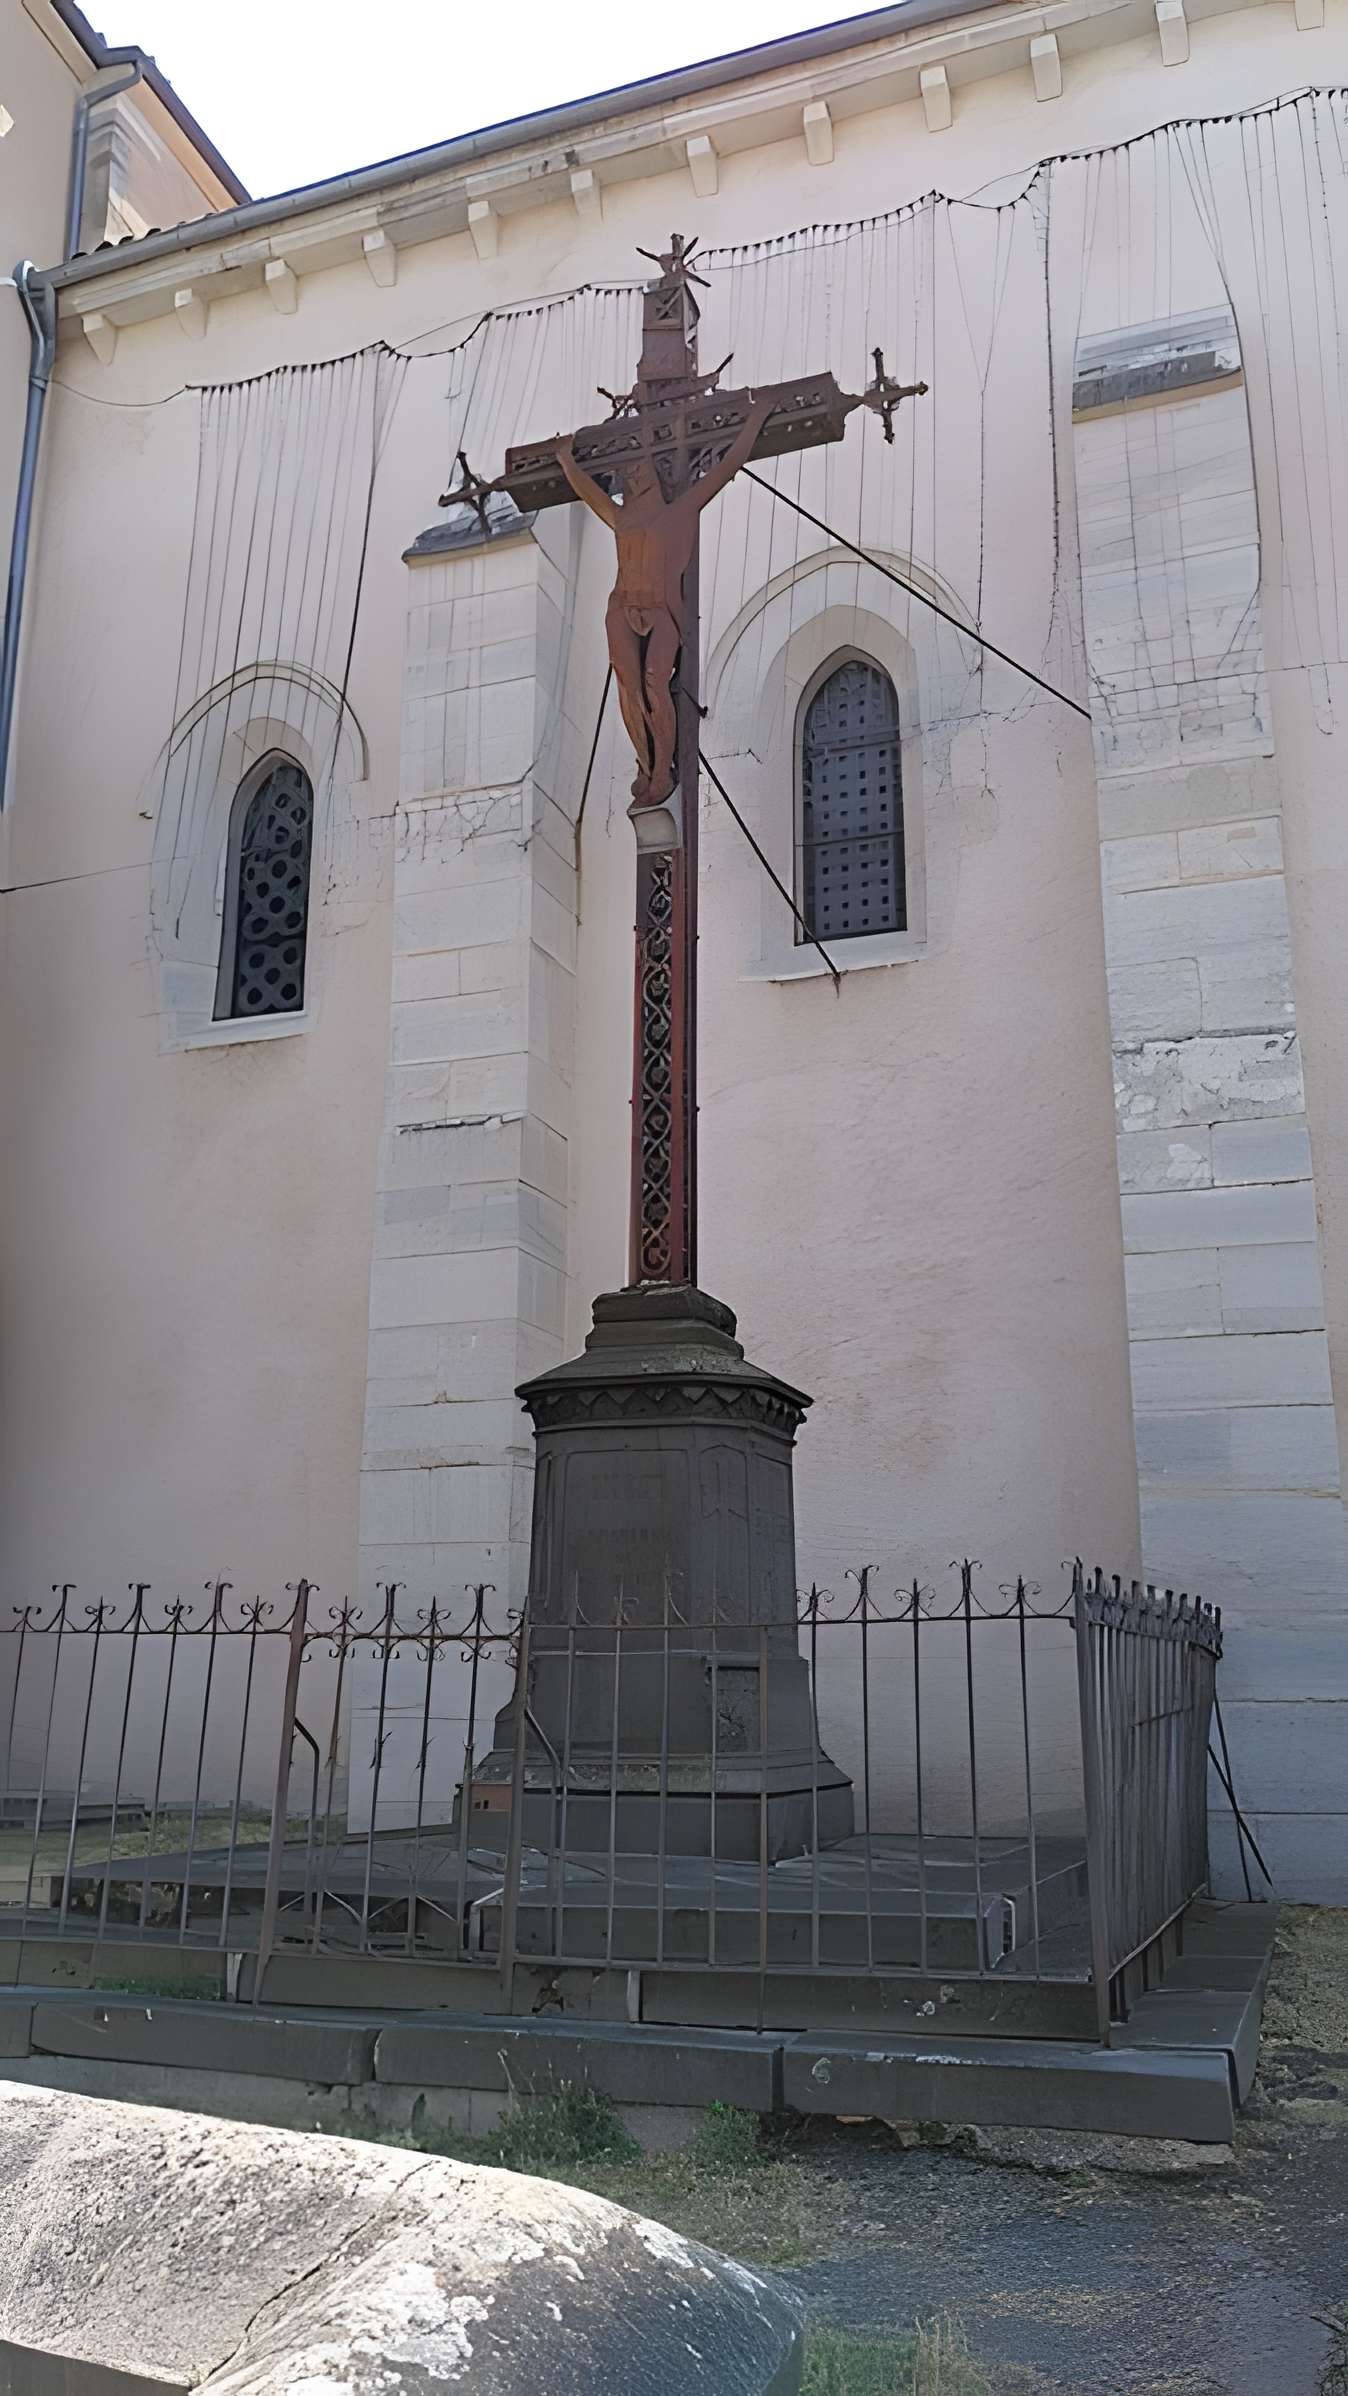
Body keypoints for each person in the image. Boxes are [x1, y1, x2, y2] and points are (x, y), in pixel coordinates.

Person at [555, 388, 776, 806]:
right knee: (629, 687)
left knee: (656, 682)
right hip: (621, 608)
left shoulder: (679, 511)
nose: (635, 479)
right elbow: (588, 492)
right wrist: (566, 458)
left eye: (641, 473)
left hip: (660, 612)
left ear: (655, 478)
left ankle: (661, 772)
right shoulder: (620, 517)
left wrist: (756, 418)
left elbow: (727, 466)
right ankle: (645, 762)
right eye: (630, 475)